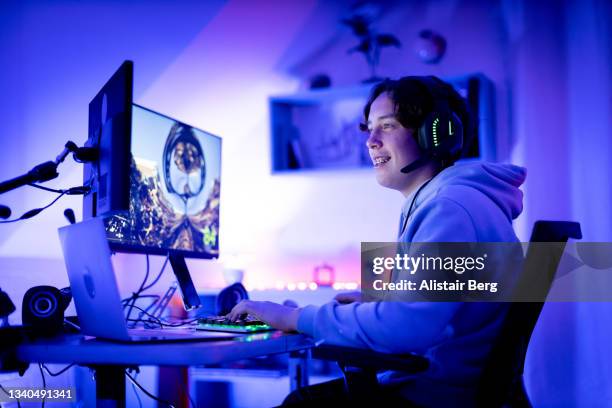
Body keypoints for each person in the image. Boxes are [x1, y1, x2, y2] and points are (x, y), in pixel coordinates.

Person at [227, 76, 526, 406]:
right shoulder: (455, 200)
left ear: (436, 134)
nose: (371, 141)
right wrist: (381, 303)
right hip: (448, 387)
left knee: (300, 403)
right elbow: (440, 305)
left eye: (388, 126)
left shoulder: (449, 208)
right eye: (370, 128)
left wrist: (294, 318)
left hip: (433, 397)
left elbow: (409, 326)